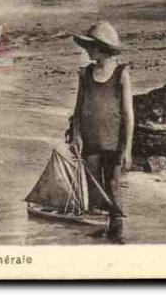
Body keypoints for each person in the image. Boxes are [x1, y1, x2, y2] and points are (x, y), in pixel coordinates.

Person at [68, 20, 134, 243]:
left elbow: (128, 115)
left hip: (113, 144)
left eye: (90, 47)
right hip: (89, 143)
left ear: (103, 49)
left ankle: (117, 235)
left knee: (113, 188)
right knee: (94, 189)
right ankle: (97, 238)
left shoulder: (121, 74)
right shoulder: (85, 74)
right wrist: (76, 135)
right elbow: (78, 109)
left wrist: (128, 150)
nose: (87, 51)